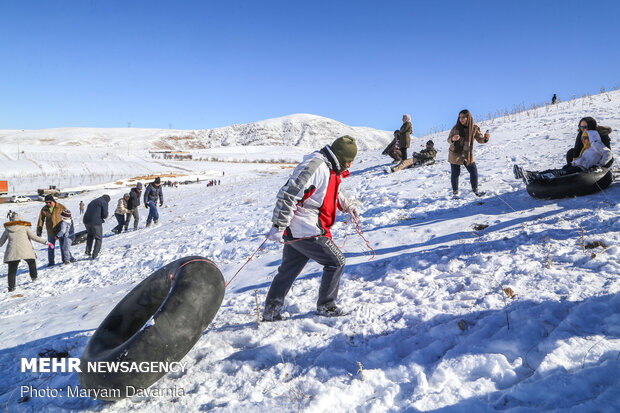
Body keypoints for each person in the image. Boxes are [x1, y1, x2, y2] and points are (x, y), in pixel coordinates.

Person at [263, 135, 360, 321]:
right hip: (305, 228)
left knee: (288, 270)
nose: (349, 166)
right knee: (336, 262)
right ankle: (327, 306)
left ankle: (271, 311)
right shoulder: (316, 166)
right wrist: (278, 225)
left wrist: (348, 206)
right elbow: (289, 193)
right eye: (348, 162)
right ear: (340, 157)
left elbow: (332, 192)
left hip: (299, 228)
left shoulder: (330, 167)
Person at [514, 129, 612, 183]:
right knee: (556, 171)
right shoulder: (588, 148)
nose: (583, 140)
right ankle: (529, 175)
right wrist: (571, 164)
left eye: (585, 138)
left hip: (582, 170)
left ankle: (533, 177)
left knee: (559, 173)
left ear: (591, 137)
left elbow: (608, 153)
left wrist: (599, 165)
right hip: (576, 166)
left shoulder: (596, 144)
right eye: (582, 138)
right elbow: (583, 159)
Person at [1, 212, 52, 292]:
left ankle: (11, 287)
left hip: (12, 252)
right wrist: (46, 242)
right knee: (31, 262)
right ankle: (34, 278)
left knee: (12, 270)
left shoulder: (8, 229)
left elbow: (1, 242)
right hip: (26, 250)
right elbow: (34, 237)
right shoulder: (25, 227)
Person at [447, 109, 490, 197]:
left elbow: (480, 139)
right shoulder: (455, 128)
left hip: (467, 154)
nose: (461, 119)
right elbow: (449, 139)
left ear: (468, 118)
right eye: (460, 117)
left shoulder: (474, 128)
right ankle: (455, 193)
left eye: (463, 117)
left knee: (473, 171)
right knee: (455, 173)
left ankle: (475, 190)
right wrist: (453, 139)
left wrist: (486, 139)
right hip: (455, 153)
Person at [36, 195, 67, 266]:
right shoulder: (44, 209)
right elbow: (41, 220)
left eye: (49, 202)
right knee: (51, 247)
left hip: (60, 231)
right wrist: (39, 230)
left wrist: (67, 228)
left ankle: (65, 259)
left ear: (53, 201)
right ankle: (51, 262)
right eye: (46, 203)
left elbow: (67, 217)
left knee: (63, 246)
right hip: (51, 232)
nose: (48, 204)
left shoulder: (61, 207)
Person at [83, 194, 110, 259]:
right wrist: (104, 217)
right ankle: (95, 254)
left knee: (90, 235)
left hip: (86, 221)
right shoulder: (104, 202)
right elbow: (105, 214)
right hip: (95, 223)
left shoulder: (93, 201)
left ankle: (88, 251)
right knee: (98, 238)